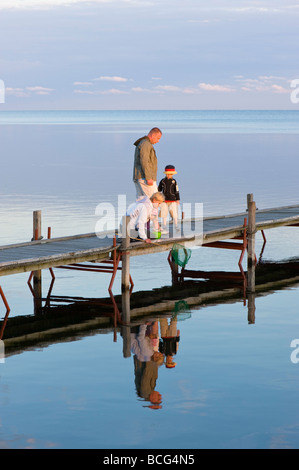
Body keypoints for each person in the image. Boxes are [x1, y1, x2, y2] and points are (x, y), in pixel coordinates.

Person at [133, 127, 162, 199]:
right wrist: (148, 178)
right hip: (144, 178)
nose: (158, 141)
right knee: (153, 200)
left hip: (140, 177)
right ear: (152, 136)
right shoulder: (145, 144)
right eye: (158, 138)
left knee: (141, 202)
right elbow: (144, 161)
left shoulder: (144, 143)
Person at [158, 165, 180, 230]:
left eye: (170, 174)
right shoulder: (162, 181)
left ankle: (176, 225)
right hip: (164, 200)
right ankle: (164, 225)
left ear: (172, 174)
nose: (168, 175)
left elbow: (177, 190)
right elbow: (159, 189)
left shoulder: (174, 181)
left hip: (173, 199)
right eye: (167, 174)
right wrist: (158, 199)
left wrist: (177, 199)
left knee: (174, 214)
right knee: (164, 214)